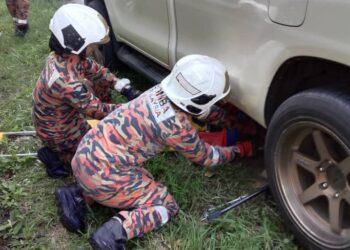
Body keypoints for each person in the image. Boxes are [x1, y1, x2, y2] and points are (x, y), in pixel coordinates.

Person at [55, 55, 253, 249]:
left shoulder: (159, 91)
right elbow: (209, 157)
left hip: (85, 153)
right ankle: (112, 235)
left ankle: (76, 195)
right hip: (103, 173)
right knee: (165, 206)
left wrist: (231, 122)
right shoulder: (177, 127)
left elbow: (201, 109)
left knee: (116, 174)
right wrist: (241, 149)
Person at [32, 4, 141, 178]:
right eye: (91, 45)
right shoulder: (67, 82)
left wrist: (123, 87)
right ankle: (54, 156)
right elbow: (97, 110)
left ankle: (59, 150)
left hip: (61, 119)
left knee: (99, 81)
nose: (93, 49)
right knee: (98, 158)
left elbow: (96, 70)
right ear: (76, 42)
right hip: (59, 133)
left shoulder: (65, 56)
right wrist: (133, 108)